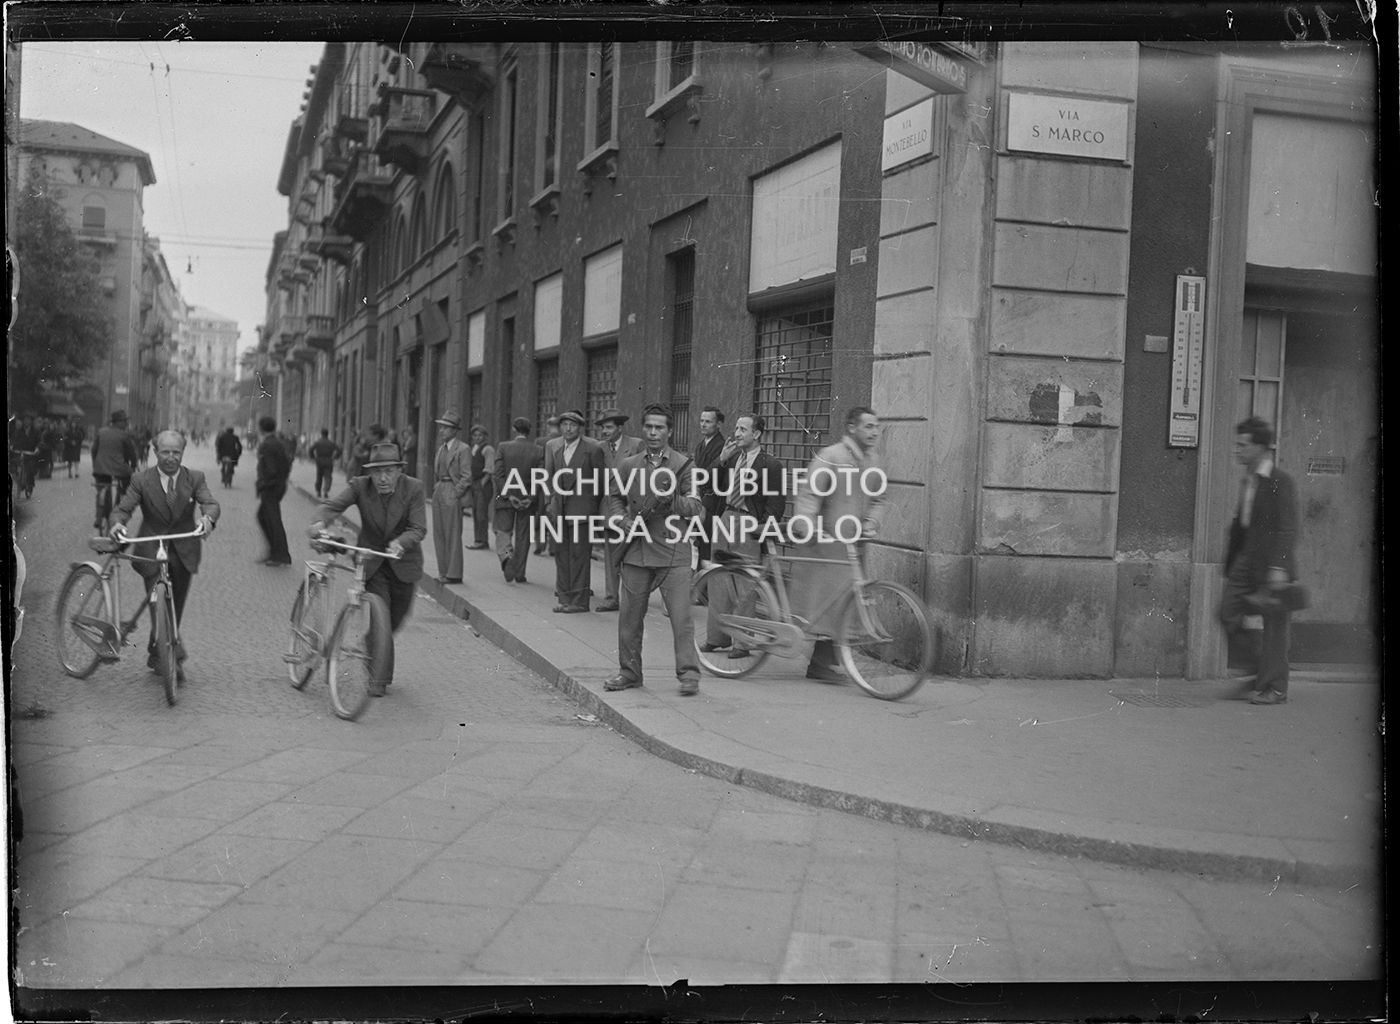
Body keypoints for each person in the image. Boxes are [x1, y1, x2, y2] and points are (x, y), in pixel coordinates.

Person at [602, 403, 704, 696]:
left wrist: (672, 499)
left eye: (660, 427)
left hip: (673, 552)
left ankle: (689, 675)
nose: (653, 432)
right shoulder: (628, 465)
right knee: (630, 619)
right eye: (649, 426)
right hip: (637, 550)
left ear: (669, 431)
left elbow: (696, 506)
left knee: (681, 619)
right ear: (642, 429)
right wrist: (623, 521)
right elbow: (615, 499)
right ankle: (629, 673)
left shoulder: (684, 465)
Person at [309, 441, 426, 696]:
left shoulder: (414, 488)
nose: (382, 478)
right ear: (370, 473)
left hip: (403, 562)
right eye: (377, 472)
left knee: (396, 618)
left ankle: (373, 646)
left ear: (398, 470)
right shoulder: (359, 486)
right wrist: (319, 523)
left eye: (389, 472)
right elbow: (332, 506)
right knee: (380, 612)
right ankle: (378, 680)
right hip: (372, 561)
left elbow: (418, 528)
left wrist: (400, 543)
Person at [108, 429, 219, 676]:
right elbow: (123, 508)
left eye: (176, 452)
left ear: (183, 453)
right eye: (165, 452)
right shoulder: (141, 480)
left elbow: (209, 503)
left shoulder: (195, 478)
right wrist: (117, 523)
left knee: (175, 605)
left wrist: (207, 519)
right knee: (159, 601)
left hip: (184, 549)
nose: (171, 457)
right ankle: (172, 658)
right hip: (151, 549)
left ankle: (157, 651)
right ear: (155, 452)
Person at [790, 406, 888, 682]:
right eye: (868, 426)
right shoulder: (831, 456)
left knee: (843, 605)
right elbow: (809, 494)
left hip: (853, 546)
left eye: (876, 427)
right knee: (827, 605)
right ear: (851, 428)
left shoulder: (873, 461)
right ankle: (821, 665)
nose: (874, 432)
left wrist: (871, 522)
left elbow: (879, 499)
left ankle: (825, 663)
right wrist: (806, 524)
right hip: (826, 544)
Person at [1220, 415, 1299, 706]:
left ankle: (1275, 688)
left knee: (1275, 629)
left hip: (1272, 566)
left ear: (1261, 448)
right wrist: (1232, 564)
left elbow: (1287, 527)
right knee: (1227, 611)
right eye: (1237, 444)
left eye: (1243, 445)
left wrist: (1279, 567)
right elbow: (1243, 525)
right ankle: (1258, 670)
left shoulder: (1279, 481)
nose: (1237, 450)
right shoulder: (1249, 480)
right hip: (1246, 563)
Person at [701, 413, 788, 657]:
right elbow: (705, 481)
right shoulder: (731, 458)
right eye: (736, 428)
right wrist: (721, 459)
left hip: (748, 523)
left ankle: (742, 643)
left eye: (743, 429)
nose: (737, 433)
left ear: (757, 434)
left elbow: (776, 504)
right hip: (725, 518)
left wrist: (760, 529)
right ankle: (716, 638)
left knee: (745, 585)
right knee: (718, 579)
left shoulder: (770, 464)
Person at [543, 409, 605, 612]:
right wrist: (551, 504)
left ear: (580, 428)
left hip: (582, 511)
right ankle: (564, 599)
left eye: (573, 425)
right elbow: (551, 478)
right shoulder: (558, 449)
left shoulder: (593, 448)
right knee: (561, 555)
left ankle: (579, 601)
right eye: (564, 425)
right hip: (560, 510)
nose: (568, 429)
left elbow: (600, 482)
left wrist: (593, 508)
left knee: (579, 556)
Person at [593, 409, 645, 611]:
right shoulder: (600, 448)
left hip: (629, 510)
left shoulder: (635, 444)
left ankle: (632, 599)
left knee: (632, 556)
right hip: (607, 508)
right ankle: (611, 597)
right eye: (603, 428)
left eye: (609, 427)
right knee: (610, 556)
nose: (605, 431)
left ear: (620, 428)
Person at [492, 416, 544, 584]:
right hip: (527, 501)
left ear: (514, 429)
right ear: (529, 431)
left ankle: (507, 558)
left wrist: (507, 494)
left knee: (503, 532)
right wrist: (531, 497)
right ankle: (520, 572)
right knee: (523, 536)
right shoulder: (538, 450)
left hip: (506, 498)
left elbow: (498, 474)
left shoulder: (503, 447)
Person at [428, 411, 471, 584]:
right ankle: (442, 571)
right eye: (441, 427)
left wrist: (456, 493)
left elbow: (467, 475)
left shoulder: (463, 448)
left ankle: (453, 573)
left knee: (452, 533)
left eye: (445, 428)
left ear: (454, 431)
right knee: (439, 533)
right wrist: (436, 488)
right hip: (439, 489)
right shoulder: (441, 449)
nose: (441, 431)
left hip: (451, 490)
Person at [255, 415, 293, 567]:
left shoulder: (267, 445)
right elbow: (287, 464)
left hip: (271, 487)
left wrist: (264, 483)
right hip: (278, 485)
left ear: (261, 428)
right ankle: (274, 552)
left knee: (272, 520)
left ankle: (281, 555)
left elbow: (270, 469)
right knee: (264, 517)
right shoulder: (279, 443)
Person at [692, 405, 728, 566]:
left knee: (707, 546)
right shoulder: (701, 445)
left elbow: (712, 477)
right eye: (701, 421)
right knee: (698, 544)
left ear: (718, 424)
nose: (703, 424)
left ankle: (706, 586)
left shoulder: (722, 446)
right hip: (700, 499)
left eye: (708, 421)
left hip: (713, 502)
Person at [91, 410, 139, 528]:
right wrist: (133, 466)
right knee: (125, 485)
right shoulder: (124, 435)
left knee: (101, 488)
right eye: (124, 421)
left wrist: (96, 463)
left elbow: (94, 450)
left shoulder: (101, 432)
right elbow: (131, 453)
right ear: (118, 422)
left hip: (100, 469)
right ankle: (118, 509)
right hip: (119, 469)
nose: (126, 424)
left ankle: (99, 516)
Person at [533, 415, 561, 555]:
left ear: (548, 426)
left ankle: (540, 544)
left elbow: (536, 462)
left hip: (542, 482)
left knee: (540, 513)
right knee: (555, 515)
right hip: (558, 483)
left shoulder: (540, 441)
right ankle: (554, 547)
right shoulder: (563, 441)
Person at [465, 425, 496, 550]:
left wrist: (482, 483)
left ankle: (482, 540)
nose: (477, 438)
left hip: (483, 485)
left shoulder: (488, 449)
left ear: (485, 436)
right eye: (475, 435)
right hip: (474, 483)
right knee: (476, 513)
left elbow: (489, 468)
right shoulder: (474, 448)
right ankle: (478, 539)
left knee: (481, 513)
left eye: (480, 435)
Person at [308, 428, 341, 500]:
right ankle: (326, 491)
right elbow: (339, 450)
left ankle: (318, 492)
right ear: (327, 434)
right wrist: (335, 457)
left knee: (319, 477)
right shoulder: (331, 443)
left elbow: (310, 449)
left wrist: (313, 457)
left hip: (319, 461)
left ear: (321, 434)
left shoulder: (318, 442)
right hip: (329, 461)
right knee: (328, 477)